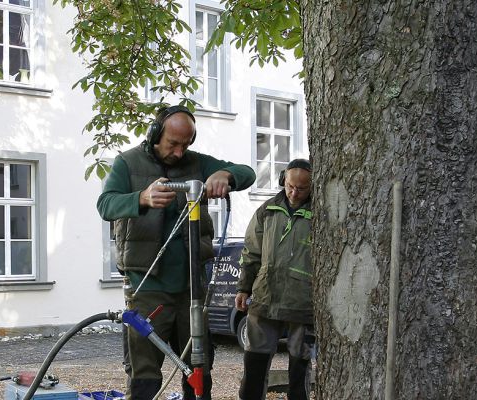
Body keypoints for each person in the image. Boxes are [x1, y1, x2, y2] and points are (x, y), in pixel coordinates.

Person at [97, 105, 256, 400]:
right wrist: (141, 198)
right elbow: (105, 205)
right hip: (147, 286)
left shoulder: (197, 163)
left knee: (199, 366)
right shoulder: (127, 163)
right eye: (173, 144)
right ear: (155, 134)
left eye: (186, 144)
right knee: (144, 372)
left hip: (191, 288)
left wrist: (225, 175)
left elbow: (247, 173)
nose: (179, 152)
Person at [235, 159, 314, 400]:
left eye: (302, 188)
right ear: (283, 180)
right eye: (290, 186)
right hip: (265, 297)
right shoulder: (267, 211)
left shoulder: (320, 214)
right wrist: (244, 288)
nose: (294, 193)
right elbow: (251, 252)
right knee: (254, 367)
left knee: (299, 371)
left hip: (303, 303)